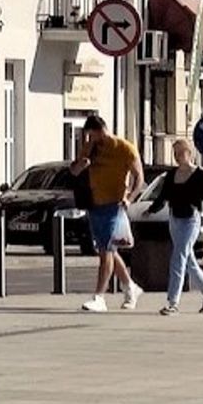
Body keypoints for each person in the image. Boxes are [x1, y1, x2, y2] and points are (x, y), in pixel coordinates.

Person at [70, 115, 145, 313]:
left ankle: (99, 297)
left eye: (93, 135)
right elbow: (74, 171)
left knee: (106, 252)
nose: (91, 139)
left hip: (115, 205)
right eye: (88, 136)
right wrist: (82, 164)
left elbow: (139, 177)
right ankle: (130, 287)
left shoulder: (124, 148)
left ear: (101, 130)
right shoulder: (90, 148)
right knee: (108, 250)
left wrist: (130, 197)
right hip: (95, 205)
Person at [148, 139, 203, 316]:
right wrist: (151, 210)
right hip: (175, 219)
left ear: (190, 153)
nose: (178, 157)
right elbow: (163, 196)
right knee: (188, 261)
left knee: (178, 257)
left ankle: (173, 302)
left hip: (191, 220)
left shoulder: (200, 176)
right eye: (175, 154)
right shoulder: (171, 175)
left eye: (181, 153)